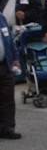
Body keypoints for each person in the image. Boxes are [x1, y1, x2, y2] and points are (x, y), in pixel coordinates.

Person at [0, 12, 22, 140]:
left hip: (4, 64)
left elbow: (9, 40)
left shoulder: (1, 17)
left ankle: (7, 127)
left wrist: (15, 58)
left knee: (7, 98)